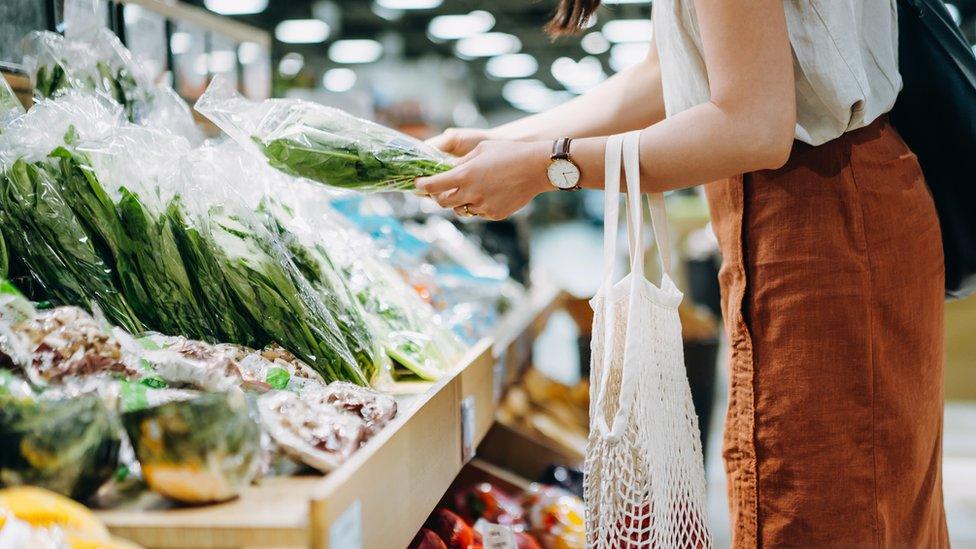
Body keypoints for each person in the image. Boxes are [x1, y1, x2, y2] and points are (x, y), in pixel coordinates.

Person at [416, 0, 949, 546]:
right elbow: (664, 74)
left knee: (829, 507)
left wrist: (547, 166)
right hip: (815, 204)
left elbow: (752, 126)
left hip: (823, 214)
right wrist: (505, 143)